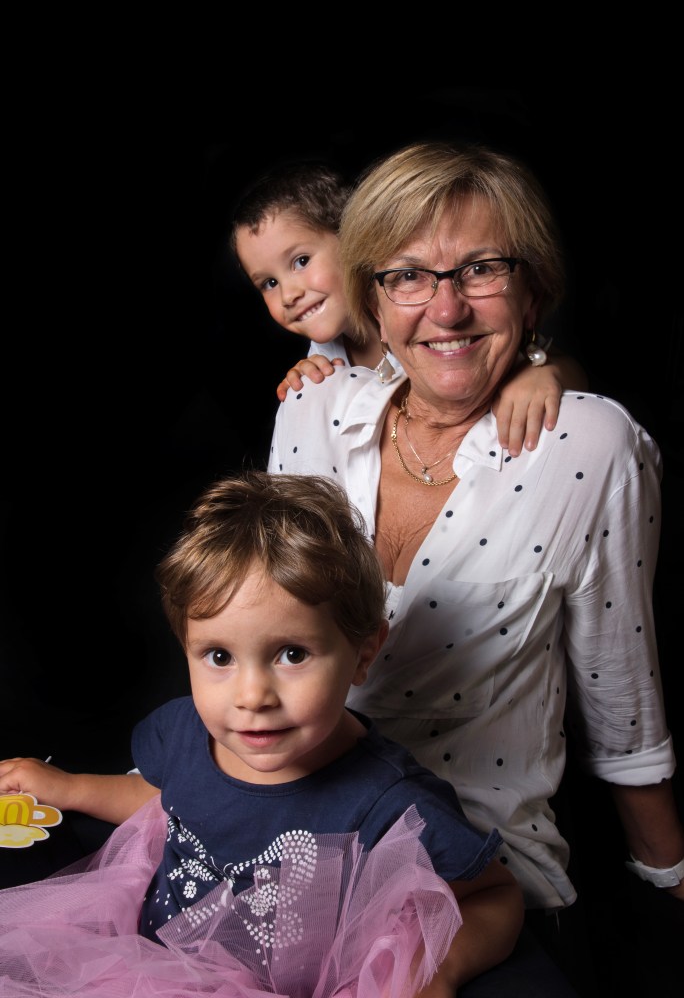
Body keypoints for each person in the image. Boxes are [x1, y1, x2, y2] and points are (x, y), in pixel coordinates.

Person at [267, 140, 684, 994]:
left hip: (478, 879)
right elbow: (258, 643)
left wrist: (666, 875)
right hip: (284, 841)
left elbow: (619, 686)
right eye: (407, 276)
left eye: (483, 269)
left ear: (534, 291)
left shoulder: (589, 445)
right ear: (371, 298)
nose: (447, 308)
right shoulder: (309, 410)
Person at [0, 471, 526, 998]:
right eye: (219, 656)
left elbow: (496, 896)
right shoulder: (185, 731)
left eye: (292, 654)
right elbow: (167, 802)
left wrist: (439, 974)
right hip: (144, 966)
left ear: (363, 653)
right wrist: (70, 786)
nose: (252, 696)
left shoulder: (391, 802)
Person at [229, 158, 588, 458]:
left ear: (356, 241)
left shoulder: (426, 312)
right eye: (269, 283)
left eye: (301, 261)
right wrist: (305, 381)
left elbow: (554, 363)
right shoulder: (320, 364)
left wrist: (543, 373)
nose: (289, 294)